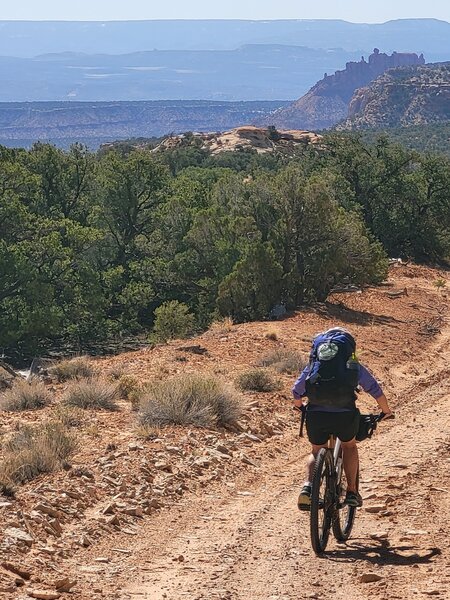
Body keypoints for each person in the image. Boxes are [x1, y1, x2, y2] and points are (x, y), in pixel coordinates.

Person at [292, 327, 393, 510]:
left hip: (316, 415)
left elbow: (296, 390)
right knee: (349, 446)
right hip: (344, 415)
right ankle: (352, 492)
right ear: (349, 348)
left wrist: (299, 406)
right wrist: (386, 411)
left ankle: (308, 487)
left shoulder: (314, 365)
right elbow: (374, 389)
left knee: (316, 451)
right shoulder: (352, 365)